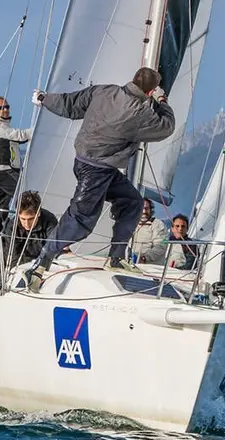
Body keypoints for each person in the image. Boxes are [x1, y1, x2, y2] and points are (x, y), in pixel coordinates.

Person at [25, 67, 175, 287]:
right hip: (95, 172)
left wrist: (44, 99)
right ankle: (41, 264)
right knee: (80, 220)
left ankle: (116, 258)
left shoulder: (103, 91)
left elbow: (70, 104)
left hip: (92, 166)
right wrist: (163, 101)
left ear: (132, 79)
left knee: (132, 202)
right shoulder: (140, 114)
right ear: (150, 91)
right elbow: (166, 127)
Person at [0, 191, 57, 291]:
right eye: (23, 219)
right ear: (18, 214)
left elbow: (53, 248)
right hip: (17, 270)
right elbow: (2, 255)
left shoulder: (50, 222)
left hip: (42, 267)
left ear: (38, 213)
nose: (27, 224)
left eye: (31, 219)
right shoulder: (12, 226)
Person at [0, 96, 33, 244]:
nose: (5, 110)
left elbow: (17, 138)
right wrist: (40, 130)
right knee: (27, 196)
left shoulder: (3, 126)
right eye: (1, 108)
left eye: (7, 107)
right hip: (3, 172)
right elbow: (19, 136)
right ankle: (28, 235)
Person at [131, 198, 168, 264]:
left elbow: (161, 246)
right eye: (141, 208)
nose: (144, 211)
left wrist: (144, 258)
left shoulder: (158, 224)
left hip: (149, 268)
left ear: (151, 210)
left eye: (146, 208)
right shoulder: (132, 223)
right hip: (131, 264)